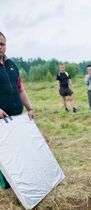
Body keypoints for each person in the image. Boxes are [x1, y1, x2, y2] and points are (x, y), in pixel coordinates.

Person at [0, 31, 34, 189]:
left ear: (6, 46)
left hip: (17, 118)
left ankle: (21, 184)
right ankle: (6, 187)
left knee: (17, 151)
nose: (0, 47)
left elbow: (21, 89)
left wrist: (30, 108)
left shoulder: (12, 65)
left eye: (2, 44)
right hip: (1, 121)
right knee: (4, 154)